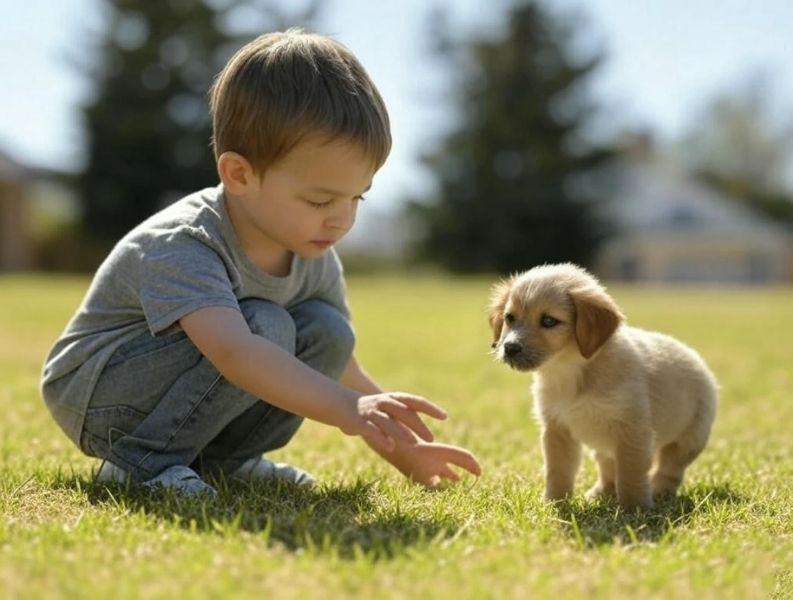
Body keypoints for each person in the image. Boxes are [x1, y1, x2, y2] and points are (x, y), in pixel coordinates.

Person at [40, 28, 481, 496]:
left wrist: (401, 448)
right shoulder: (185, 242)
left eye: (358, 198)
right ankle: (138, 463)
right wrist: (349, 410)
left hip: (180, 386)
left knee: (328, 332)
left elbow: (338, 367)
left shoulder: (313, 252)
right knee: (266, 327)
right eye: (319, 200)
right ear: (239, 174)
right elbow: (235, 352)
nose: (342, 220)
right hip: (101, 398)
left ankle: (226, 462)